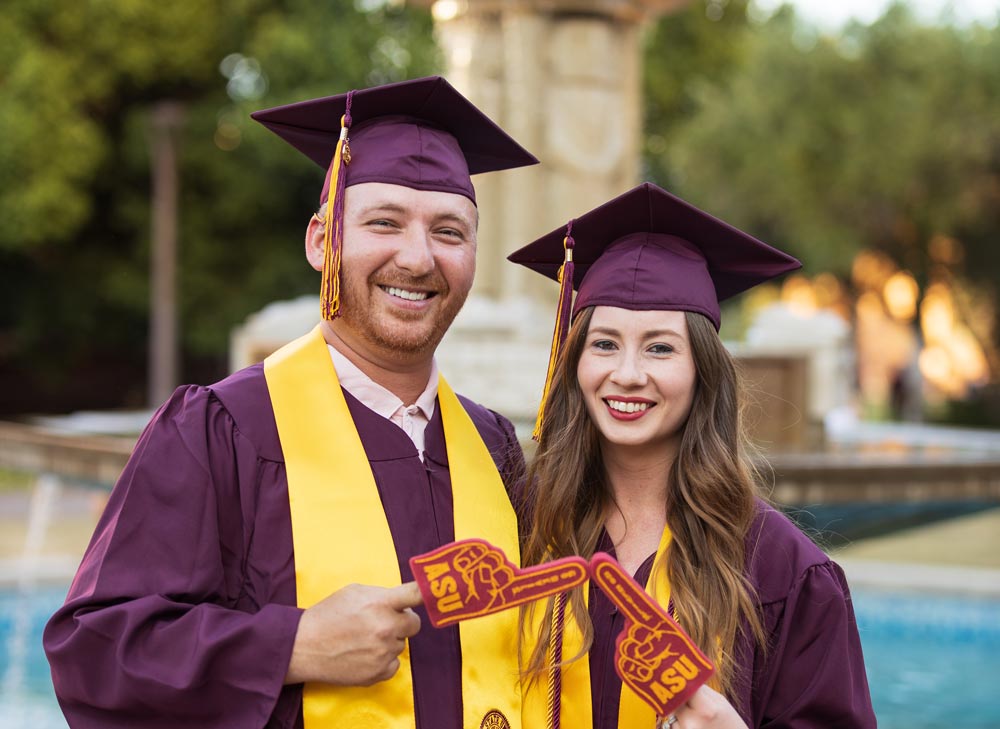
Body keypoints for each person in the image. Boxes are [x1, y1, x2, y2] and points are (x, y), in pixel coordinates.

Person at [43, 76, 538, 729]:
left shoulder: (493, 444)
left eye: (449, 231)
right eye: (384, 222)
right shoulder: (222, 429)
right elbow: (94, 653)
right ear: (319, 241)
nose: (418, 258)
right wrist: (291, 646)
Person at [509, 183, 876, 729]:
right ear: (574, 363)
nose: (627, 373)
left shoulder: (780, 569)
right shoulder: (525, 527)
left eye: (660, 347)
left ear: (703, 371)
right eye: (604, 343)